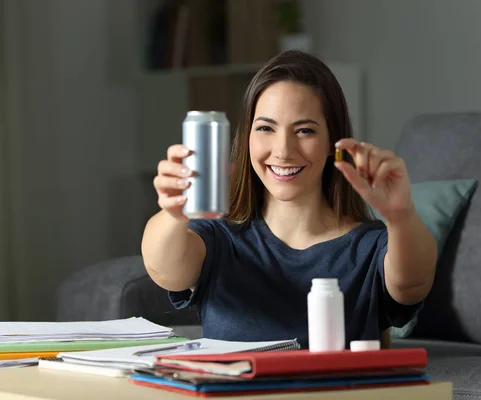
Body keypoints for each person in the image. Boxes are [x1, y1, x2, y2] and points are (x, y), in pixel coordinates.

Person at [141, 50, 437, 348]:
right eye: (266, 128)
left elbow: (412, 285)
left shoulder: (372, 247)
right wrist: (174, 212)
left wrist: (401, 215)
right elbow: (165, 271)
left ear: (334, 143)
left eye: (304, 130)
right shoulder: (220, 238)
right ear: (246, 137)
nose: (283, 150)